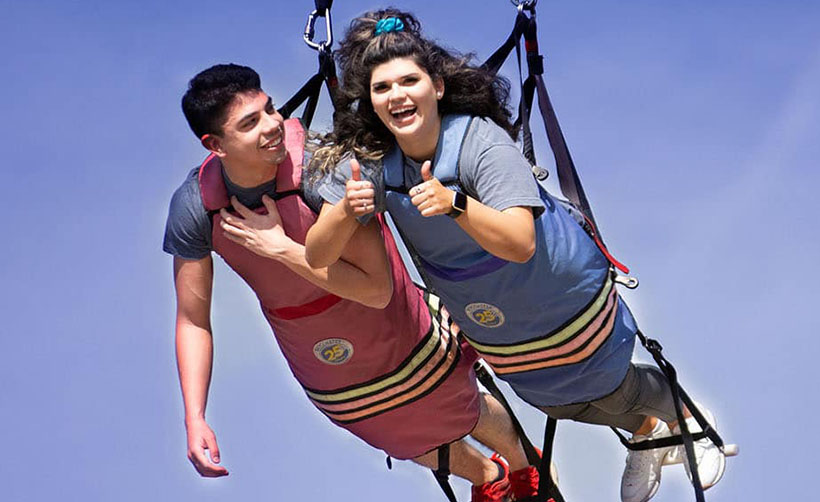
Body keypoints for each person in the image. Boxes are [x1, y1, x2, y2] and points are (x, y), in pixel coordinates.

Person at [304, 10, 728, 502]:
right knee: (557, 401)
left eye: (409, 81)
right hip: (493, 317)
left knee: (607, 382)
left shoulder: (479, 141)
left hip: (554, 291)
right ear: (370, 101)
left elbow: (521, 241)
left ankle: (686, 417)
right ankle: (648, 431)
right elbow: (319, 255)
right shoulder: (376, 164)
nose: (397, 95)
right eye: (382, 88)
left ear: (436, 86)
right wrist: (341, 215)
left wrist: (454, 204)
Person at [163, 63, 539, 502]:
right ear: (215, 145)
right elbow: (193, 320)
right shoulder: (197, 207)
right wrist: (195, 417)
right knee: (398, 436)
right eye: (250, 124)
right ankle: (487, 479)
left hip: (397, 327)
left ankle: (524, 468)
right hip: (322, 362)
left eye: (269, 110)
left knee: (458, 405)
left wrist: (280, 247)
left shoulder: (325, 171)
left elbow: (376, 290)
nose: (272, 127)